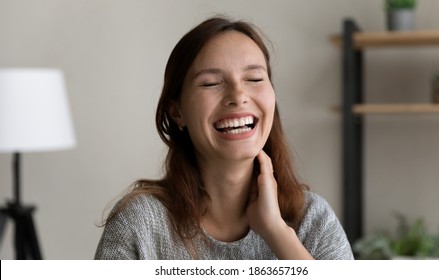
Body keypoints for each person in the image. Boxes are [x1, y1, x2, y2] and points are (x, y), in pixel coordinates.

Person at [94, 16, 354, 260]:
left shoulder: (313, 220)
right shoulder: (139, 225)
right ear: (177, 111)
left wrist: (277, 233)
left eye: (254, 78)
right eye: (210, 83)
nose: (238, 95)